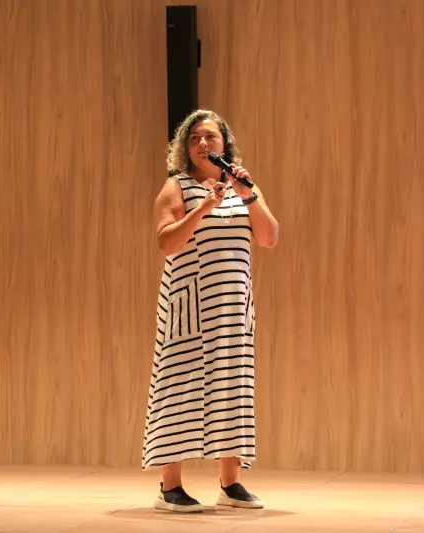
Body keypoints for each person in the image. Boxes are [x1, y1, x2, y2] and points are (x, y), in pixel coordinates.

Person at [141, 109, 280, 513]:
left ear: (225, 145)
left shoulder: (243, 186)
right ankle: (169, 487)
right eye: (194, 138)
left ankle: (230, 483)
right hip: (189, 307)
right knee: (179, 388)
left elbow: (269, 237)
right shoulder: (177, 187)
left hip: (233, 307)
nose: (203, 144)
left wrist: (247, 193)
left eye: (210, 137)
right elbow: (166, 243)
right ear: (185, 148)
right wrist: (202, 208)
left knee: (233, 386)